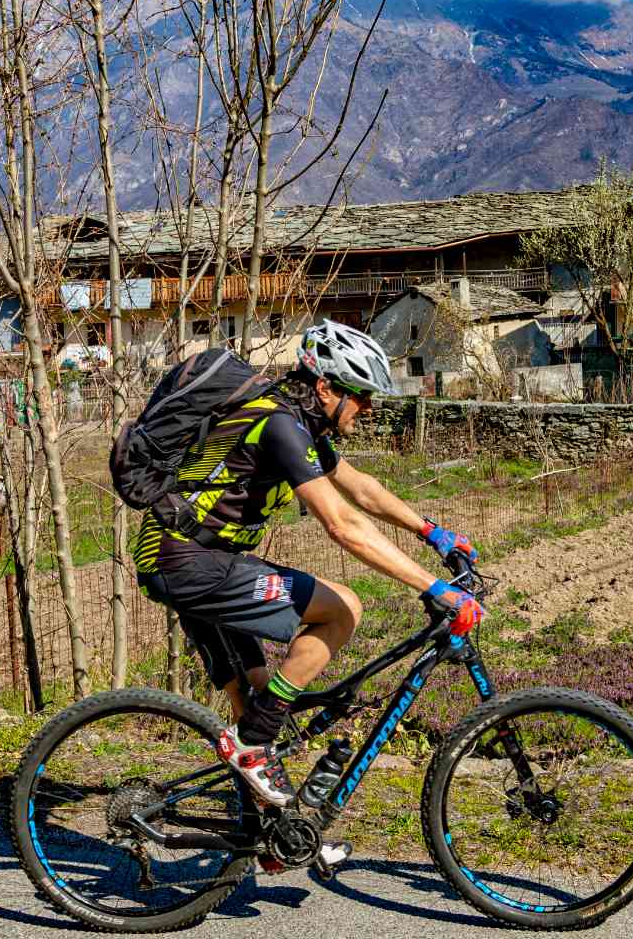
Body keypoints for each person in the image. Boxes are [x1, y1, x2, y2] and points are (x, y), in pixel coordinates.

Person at [132, 320, 485, 870]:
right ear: (325, 387)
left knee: (256, 701)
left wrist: (435, 533)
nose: (366, 410)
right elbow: (342, 524)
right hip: (188, 562)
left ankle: (279, 834)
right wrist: (433, 585)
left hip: (198, 560)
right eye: (361, 397)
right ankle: (254, 746)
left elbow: (360, 487)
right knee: (341, 608)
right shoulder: (279, 425)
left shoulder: (296, 422)